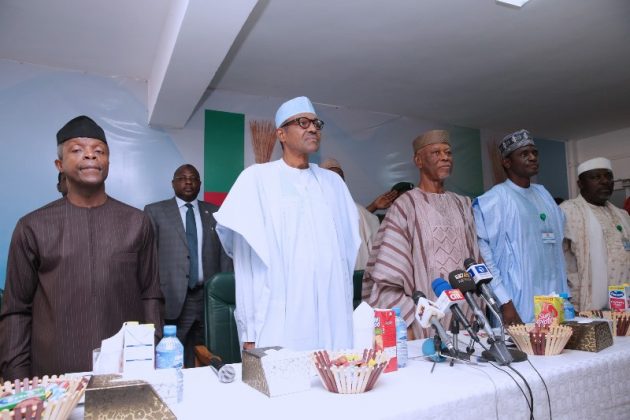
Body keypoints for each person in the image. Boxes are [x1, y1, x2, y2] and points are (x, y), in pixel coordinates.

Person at [0, 116, 163, 381]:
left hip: (124, 375)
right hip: (53, 380)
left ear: (108, 162)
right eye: (77, 150)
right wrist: (18, 380)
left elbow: (151, 296)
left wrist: (150, 354)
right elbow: (17, 310)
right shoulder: (32, 226)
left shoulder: (137, 222)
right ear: (59, 164)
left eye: (99, 151)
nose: (90, 155)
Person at [214, 97, 360, 351]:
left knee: (334, 372)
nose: (312, 128)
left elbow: (346, 258)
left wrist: (345, 317)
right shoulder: (256, 179)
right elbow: (246, 263)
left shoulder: (334, 184)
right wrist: (249, 330)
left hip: (331, 317)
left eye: (316, 123)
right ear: (281, 134)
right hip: (278, 318)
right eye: (303, 122)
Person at [362, 129, 482, 339]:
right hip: (424, 324)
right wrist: (407, 324)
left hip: (466, 319)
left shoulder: (463, 204)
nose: (445, 157)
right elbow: (389, 274)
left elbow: (475, 260)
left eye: (448, 152)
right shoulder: (405, 205)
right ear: (418, 160)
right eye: (436, 152)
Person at [473, 129, 568, 324]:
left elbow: (557, 249)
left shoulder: (544, 195)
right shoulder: (494, 200)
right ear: (507, 162)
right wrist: (505, 302)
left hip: (553, 299)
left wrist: (566, 296)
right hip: (517, 302)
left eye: (534, 152)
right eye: (524, 154)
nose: (532, 157)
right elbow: (485, 258)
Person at [144, 164, 232, 367]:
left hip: (209, 297)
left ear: (200, 183)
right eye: (182, 178)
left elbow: (225, 255)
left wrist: (225, 293)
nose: (188, 182)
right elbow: (149, 258)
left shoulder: (215, 212)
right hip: (173, 298)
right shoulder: (155, 211)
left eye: (193, 178)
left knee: (210, 353)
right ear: (173, 183)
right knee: (171, 358)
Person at [560, 157, 630, 312]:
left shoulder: (622, 215)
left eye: (609, 176)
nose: (605, 181)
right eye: (596, 177)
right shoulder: (568, 211)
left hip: (623, 302)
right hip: (587, 302)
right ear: (580, 184)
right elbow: (561, 259)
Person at [320, 157, 382, 270]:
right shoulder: (316, 210)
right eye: (332, 176)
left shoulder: (355, 208)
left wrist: (375, 206)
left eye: (340, 175)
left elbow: (362, 219)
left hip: (358, 273)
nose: (337, 179)